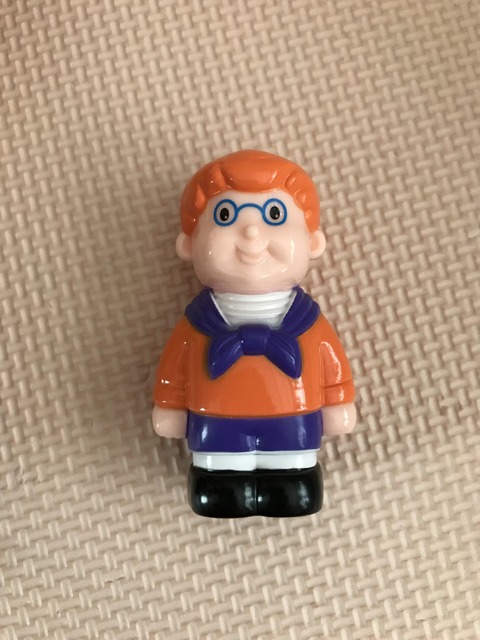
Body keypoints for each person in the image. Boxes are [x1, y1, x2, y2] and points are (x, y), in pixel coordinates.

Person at [152, 150, 356, 517]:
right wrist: (169, 404)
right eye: (225, 216)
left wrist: (338, 401)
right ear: (190, 244)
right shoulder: (196, 325)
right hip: (216, 420)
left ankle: (292, 484)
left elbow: (331, 360)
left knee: (290, 479)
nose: (251, 232)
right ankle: (219, 486)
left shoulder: (309, 323)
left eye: (274, 215)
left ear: (312, 242)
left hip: (293, 418)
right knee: (222, 482)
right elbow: (175, 366)